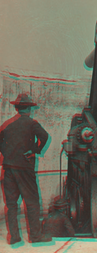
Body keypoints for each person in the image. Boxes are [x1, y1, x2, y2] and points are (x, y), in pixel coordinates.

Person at [0, 93, 52, 245]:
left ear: (16, 108)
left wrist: (7, 154)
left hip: (8, 169)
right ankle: (35, 236)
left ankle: (14, 237)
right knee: (32, 203)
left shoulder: (6, 124)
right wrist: (35, 151)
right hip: (25, 170)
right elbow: (45, 136)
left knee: (11, 205)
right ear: (29, 108)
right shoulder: (32, 123)